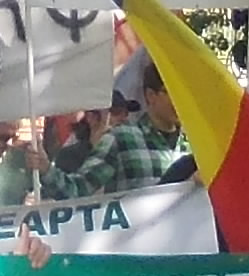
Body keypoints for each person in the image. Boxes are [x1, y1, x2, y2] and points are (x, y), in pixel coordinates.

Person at [48, 71, 185, 197]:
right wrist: (44, 169)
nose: (182, 99)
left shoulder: (197, 144)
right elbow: (77, 189)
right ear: (151, 95)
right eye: (173, 91)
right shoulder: (120, 138)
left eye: (186, 92)